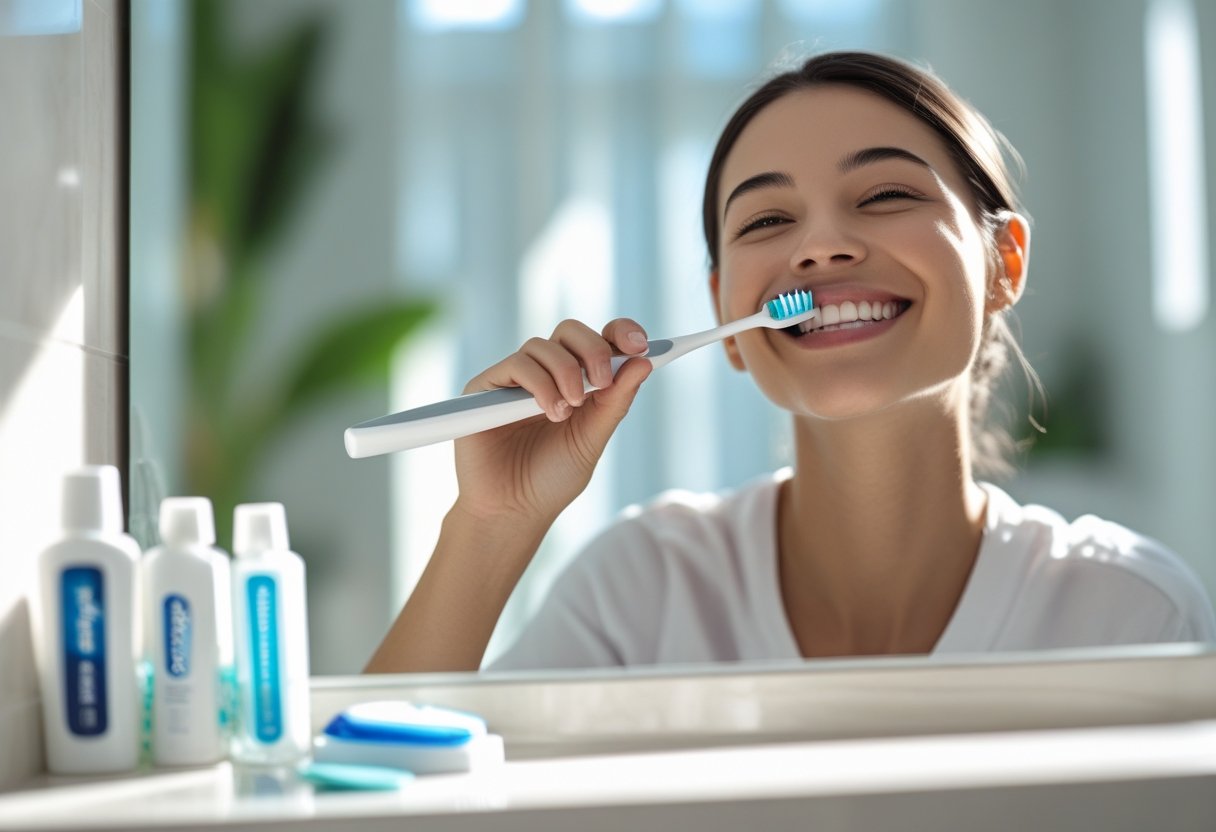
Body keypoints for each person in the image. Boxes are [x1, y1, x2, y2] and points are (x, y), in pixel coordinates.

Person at [365, 51, 1216, 674]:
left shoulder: (1126, 612)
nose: (822, 246)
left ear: (1005, 264)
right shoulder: (645, 589)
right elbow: (369, 795)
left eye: (885, 194)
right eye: (767, 222)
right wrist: (492, 523)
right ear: (726, 319)